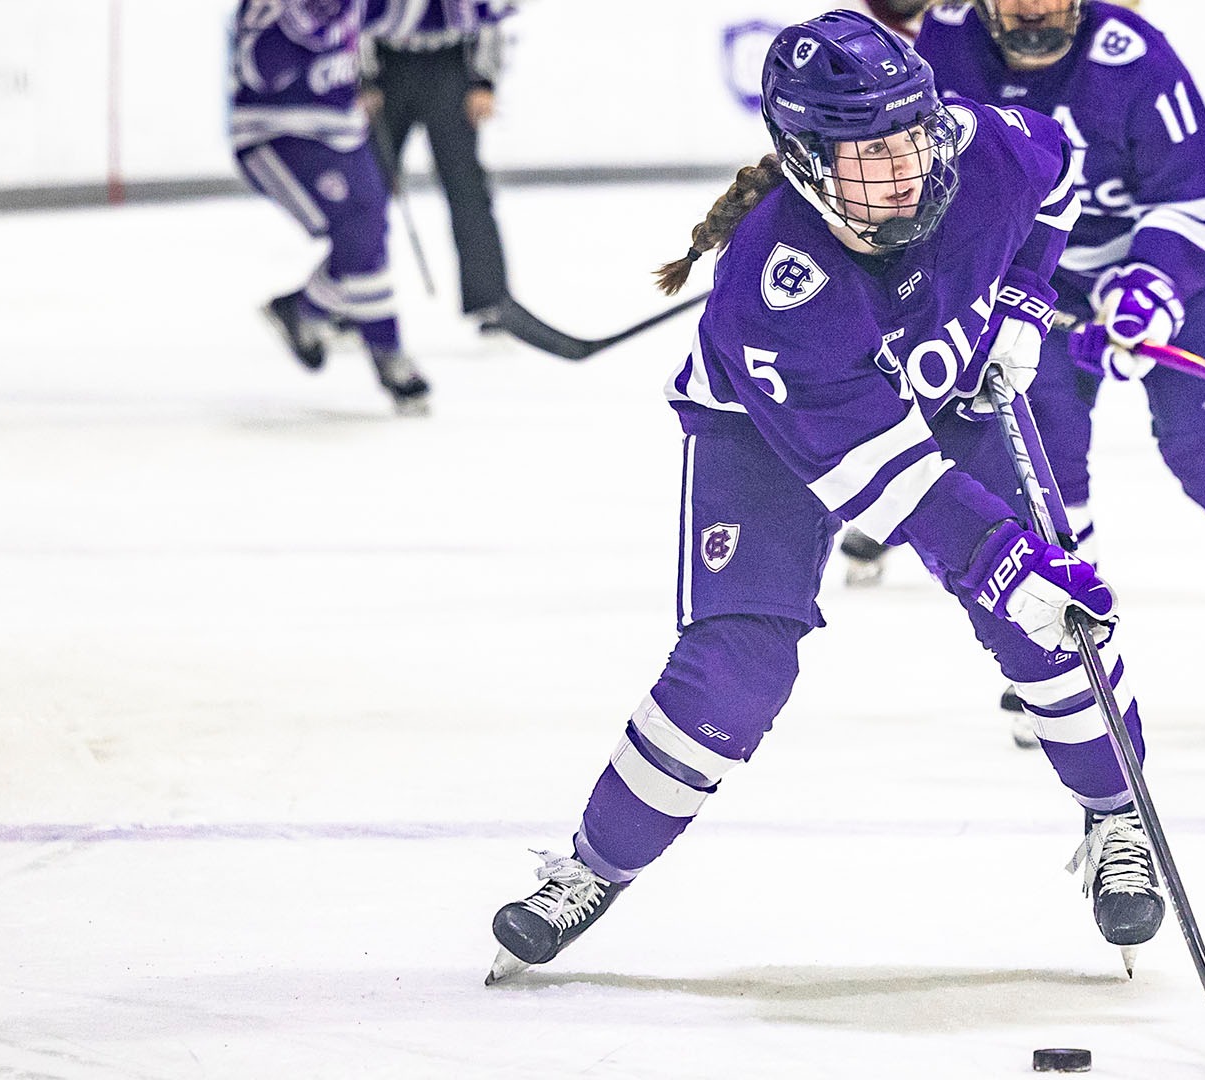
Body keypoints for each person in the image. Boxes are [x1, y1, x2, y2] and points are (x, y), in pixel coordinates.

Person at [486, 10, 1169, 983]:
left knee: (1050, 625)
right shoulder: (771, 290)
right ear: (804, 161)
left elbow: (1058, 168)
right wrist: (1000, 559)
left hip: (945, 391)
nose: (905, 172)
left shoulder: (981, 150)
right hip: (766, 437)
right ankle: (593, 867)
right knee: (737, 666)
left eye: (909, 138)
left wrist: (1019, 303)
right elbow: (883, 481)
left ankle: (1117, 816)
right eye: (867, 157)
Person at [867, 0, 1205, 749]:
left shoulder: (1132, 55)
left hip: (1167, 269)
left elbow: (1197, 202)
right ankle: (1061, 652)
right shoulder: (946, 44)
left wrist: (1149, 285)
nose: (1034, 8)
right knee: (1039, 463)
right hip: (1032, 275)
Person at [231, 0, 430, 415]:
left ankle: (305, 310)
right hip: (277, 135)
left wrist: (482, 8)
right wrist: (304, 22)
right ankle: (386, 350)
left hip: (344, 133)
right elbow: (258, 70)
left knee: (369, 232)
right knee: (358, 231)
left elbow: (405, 16)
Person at [359, 0, 514, 332]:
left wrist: (483, 80)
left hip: (449, 68)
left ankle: (490, 301)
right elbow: (351, 14)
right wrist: (362, 78)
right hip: (389, 69)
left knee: (467, 188)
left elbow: (489, 13)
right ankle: (350, 300)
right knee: (366, 193)